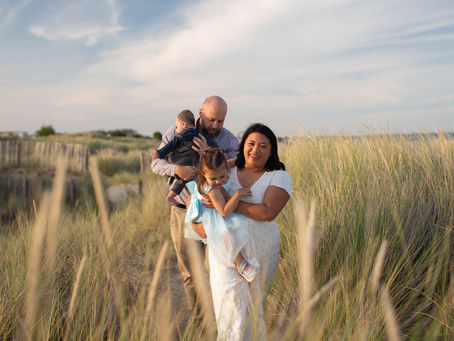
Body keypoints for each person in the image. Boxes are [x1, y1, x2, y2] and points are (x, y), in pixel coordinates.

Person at [195, 123, 292, 340]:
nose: (255, 150)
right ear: (242, 146)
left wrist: (226, 203)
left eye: (263, 146)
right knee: (230, 313)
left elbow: (267, 212)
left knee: (253, 313)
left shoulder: (278, 176)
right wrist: (202, 225)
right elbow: (200, 197)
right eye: (251, 144)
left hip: (261, 253)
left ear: (272, 150)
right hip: (225, 255)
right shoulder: (224, 170)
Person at [151, 96, 239, 313]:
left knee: (218, 268)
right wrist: (176, 170)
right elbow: (156, 162)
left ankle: (221, 318)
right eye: (211, 120)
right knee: (191, 272)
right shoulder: (177, 131)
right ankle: (200, 324)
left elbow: (236, 169)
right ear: (200, 113)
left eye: (221, 121)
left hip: (215, 213)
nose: (216, 125)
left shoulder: (227, 140)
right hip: (183, 212)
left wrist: (209, 152)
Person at [185, 148, 258, 282]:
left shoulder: (219, 167)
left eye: (223, 176)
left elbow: (231, 163)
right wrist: (237, 194)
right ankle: (240, 263)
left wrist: (244, 159)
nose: (219, 181)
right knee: (227, 232)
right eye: (213, 178)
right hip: (213, 214)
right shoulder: (212, 189)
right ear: (203, 174)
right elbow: (225, 212)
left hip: (218, 207)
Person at [150, 109, 218, 204]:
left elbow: (168, 147)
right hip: (190, 162)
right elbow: (215, 146)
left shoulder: (179, 136)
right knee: (190, 177)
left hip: (179, 161)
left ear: (183, 124)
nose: (176, 129)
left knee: (182, 179)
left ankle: (171, 195)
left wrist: (159, 153)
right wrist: (211, 149)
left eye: (177, 126)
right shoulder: (200, 134)